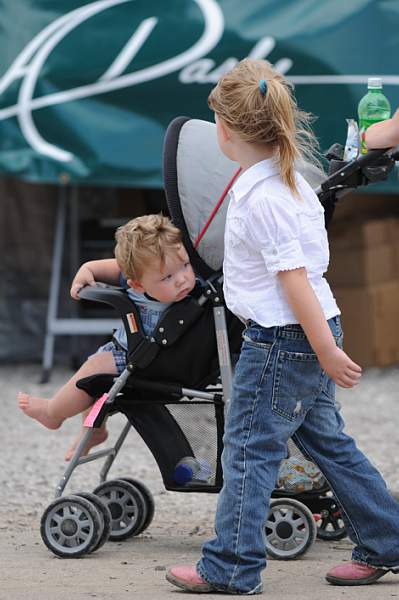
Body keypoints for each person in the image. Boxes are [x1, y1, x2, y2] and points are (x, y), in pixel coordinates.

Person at [166, 58, 399, 594]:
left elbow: (293, 281)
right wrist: (324, 345)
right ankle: (387, 540)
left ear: (225, 132)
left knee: (248, 448)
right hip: (306, 335)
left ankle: (231, 567)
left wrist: (323, 350)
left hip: (282, 341)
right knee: (329, 444)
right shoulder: (290, 178)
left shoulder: (264, 195)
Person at [18, 214, 196, 458]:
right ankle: (93, 428)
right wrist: (84, 274)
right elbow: (94, 267)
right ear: (137, 285)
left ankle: (52, 412)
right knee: (97, 386)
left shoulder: (197, 293)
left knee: (96, 369)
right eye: (167, 277)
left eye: (185, 265)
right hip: (130, 351)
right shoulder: (137, 274)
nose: (182, 279)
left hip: (145, 358)